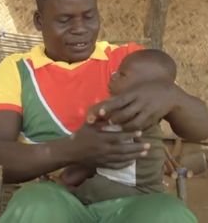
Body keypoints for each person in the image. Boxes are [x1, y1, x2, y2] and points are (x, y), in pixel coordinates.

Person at [0, 0, 208, 222]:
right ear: (39, 21)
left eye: (89, 16)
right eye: (65, 20)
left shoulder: (129, 62)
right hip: (56, 198)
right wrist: (73, 150)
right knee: (35, 205)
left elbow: (200, 129)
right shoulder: (18, 71)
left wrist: (173, 96)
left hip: (133, 204)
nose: (80, 28)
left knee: (168, 215)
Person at [58, 48, 177, 204]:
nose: (113, 77)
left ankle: (73, 196)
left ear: (147, 87)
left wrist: (96, 113)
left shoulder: (140, 113)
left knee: (94, 189)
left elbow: (103, 112)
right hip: (122, 175)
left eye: (122, 75)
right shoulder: (141, 110)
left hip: (131, 185)